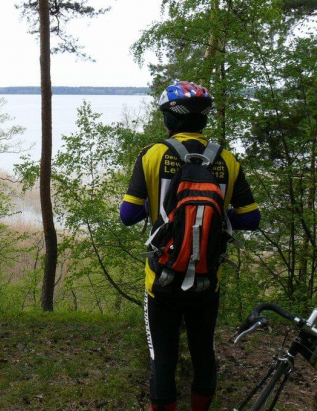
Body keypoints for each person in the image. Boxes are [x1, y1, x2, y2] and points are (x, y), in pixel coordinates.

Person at [120, 80, 261, 411]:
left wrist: (160, 211)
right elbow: (252, 219)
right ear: (204, 120)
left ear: (169, 120)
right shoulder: (227, 161)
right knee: (203, 352)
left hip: (162, 279)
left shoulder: (152, 155)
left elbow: (127, 215)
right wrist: (220, 215)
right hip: (207, 279)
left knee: (163, 358)